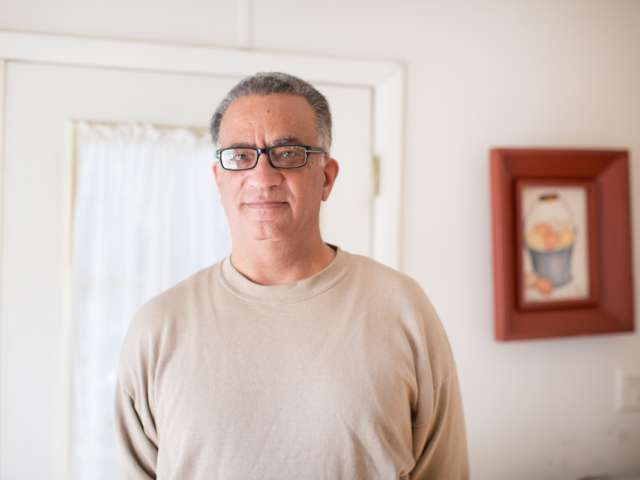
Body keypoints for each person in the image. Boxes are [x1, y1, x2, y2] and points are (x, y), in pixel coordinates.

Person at [114, 72, 470, 479]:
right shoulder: (159, 327)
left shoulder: (402, 308)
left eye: (287, 153)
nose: (263, 178)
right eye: (240, 155)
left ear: (327, 177)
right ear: (219, 179)